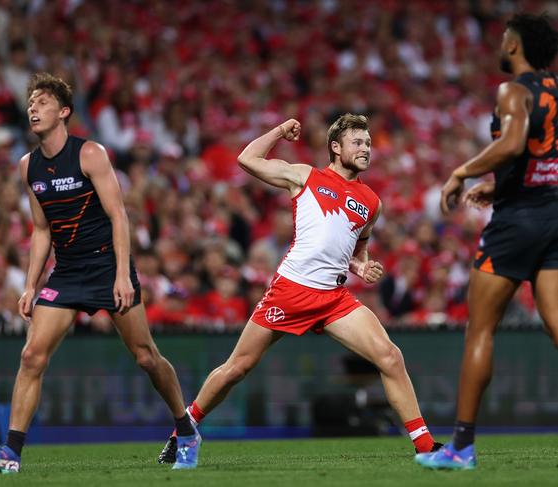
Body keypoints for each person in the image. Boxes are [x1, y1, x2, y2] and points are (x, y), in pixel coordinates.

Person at [158, 114, 441, 467]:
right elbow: (247, 160)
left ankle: (426, 446)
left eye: (368, 143)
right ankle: (185, 431)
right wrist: (279, 131)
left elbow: (356, 248)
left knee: (390, 356)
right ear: (336, 148)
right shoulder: (306, 176)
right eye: (357, 142)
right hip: (291, 290)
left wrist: (361, 266)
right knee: (237, 367)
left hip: (334, 299)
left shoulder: (371, 201)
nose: (366, 149)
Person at [0, 73, 198, 474]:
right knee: (31, 355)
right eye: (31, 102)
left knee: (145, 356)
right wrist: (29, 285)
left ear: (64, 111)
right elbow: (42, 230)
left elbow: (118, 215)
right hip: (68, 272)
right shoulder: (28, 166)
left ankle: (186, 430)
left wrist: (122, 274)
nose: (33, 108)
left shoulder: (90, 153)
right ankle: (10, 454)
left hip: (107, 266)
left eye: (42, 102)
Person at [416, 13, 558, 471]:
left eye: (503, 39)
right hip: (554, 214)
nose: (500, 45)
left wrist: (463, 171)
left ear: (515, 46)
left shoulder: (512, 90)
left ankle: (461, 446)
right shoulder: (555, 89)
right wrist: (498, 187)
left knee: (480, 330)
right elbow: (544, 157)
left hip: (518, 224)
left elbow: (514, 143)